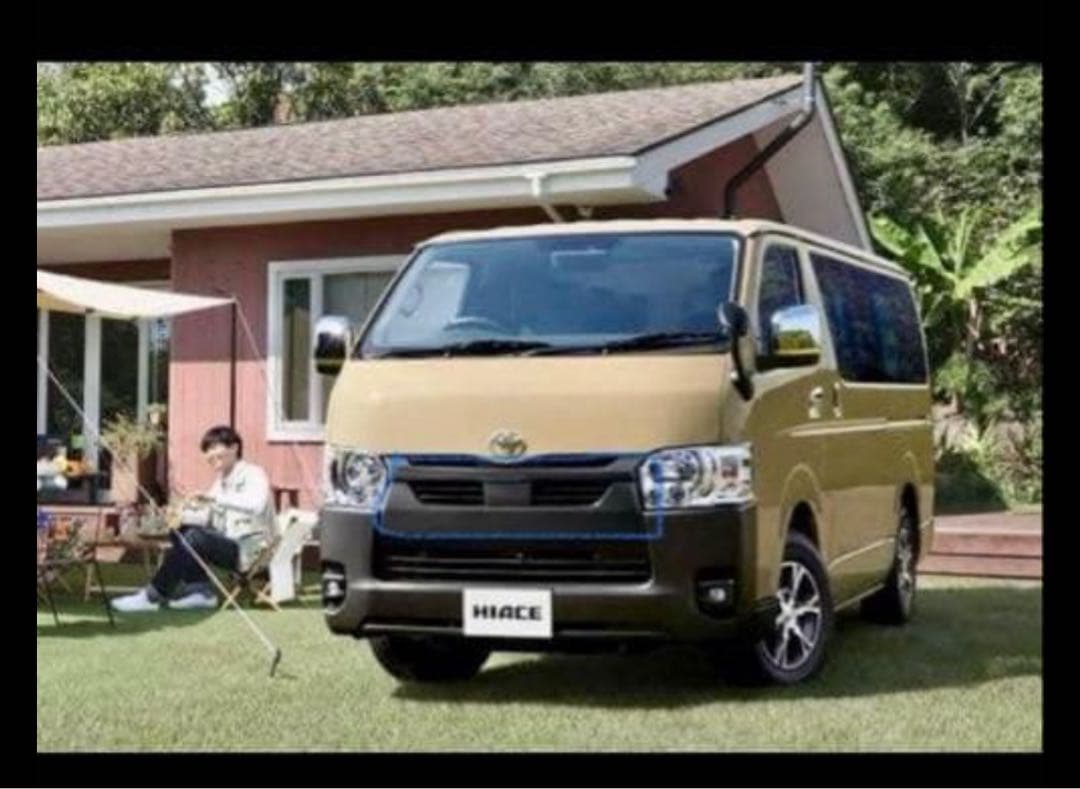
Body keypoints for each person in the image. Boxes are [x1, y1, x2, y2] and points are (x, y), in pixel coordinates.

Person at [111, 426, 276, 612]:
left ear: (234, 447)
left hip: (252, 551)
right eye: (207, 450)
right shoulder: (221, 481)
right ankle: (200, 593)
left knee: (195, 537)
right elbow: (206, 517)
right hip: (231, 545)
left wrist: (215, 498)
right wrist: (177, 516)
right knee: (180, 529)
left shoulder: (254, 473)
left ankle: (152, 597)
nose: (210, 455)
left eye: (215, 447)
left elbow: (256, 505)